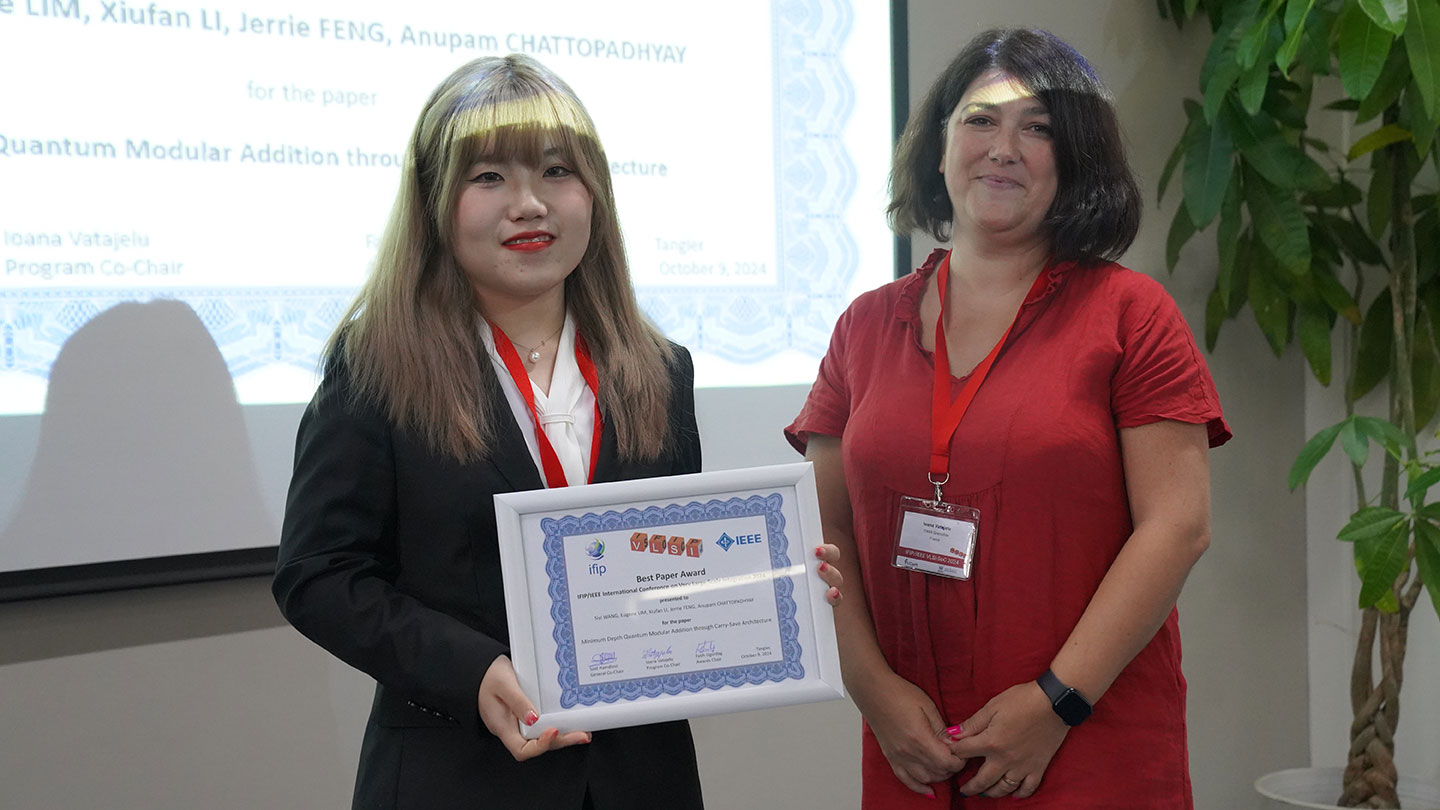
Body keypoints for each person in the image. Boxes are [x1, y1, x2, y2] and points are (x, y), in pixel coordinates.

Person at [273, 54, 842, 810]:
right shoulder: (377, 366)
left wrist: (772, 586)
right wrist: (472, 672)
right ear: (435, 203)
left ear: (595, 195)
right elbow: (319, 574)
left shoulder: (658, 370)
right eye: (488, 179)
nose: (529, 204)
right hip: (458, 777)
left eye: (554, 172)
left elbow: (666, 563)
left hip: (641, 779)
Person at [786, 28, 1230, 809]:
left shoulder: (1133, 315)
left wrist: (1057, 700)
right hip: (912, 747)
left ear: (1077, 156)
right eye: (980, 120)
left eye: (1039, 127)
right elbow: (823, 537)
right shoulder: (861, 326)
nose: (1004, 148)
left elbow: (1178, 527)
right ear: (939, 145)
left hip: (1089, 737)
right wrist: (873, 692)